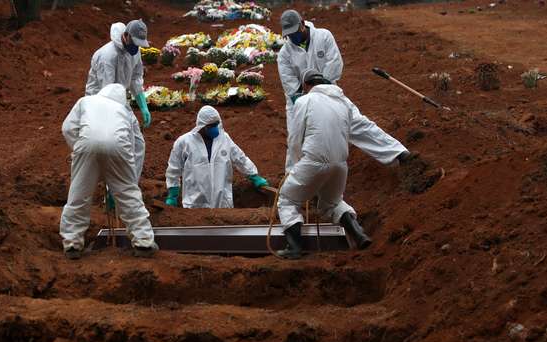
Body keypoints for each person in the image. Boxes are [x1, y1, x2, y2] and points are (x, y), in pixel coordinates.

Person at [277, 71, 414, 258]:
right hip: (340, 166)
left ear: (307, 86)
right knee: (332, 203)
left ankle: (295, 248)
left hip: (313, 162)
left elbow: (294, 140)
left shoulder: (304, 102)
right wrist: (398, 151)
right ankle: (359, 235)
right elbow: (366, 128)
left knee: (287, 200)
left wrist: (292, 170)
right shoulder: (344, 103)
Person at [278, 9, 410, 172]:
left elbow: (335, 65)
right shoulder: (284, 55)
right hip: (300, 102)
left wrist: (320, 88)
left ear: (303, 24)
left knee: (356, 122)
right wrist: (309, 100)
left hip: (329, 91)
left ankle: (398, 154)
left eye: (295, 32)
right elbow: (292, 89)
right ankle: (292, 181)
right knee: (296, 141)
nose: (293, 37)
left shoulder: (323, 36)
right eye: (289, 35)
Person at [60, 84, 158, 260]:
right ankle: (144, 242)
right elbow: (136, 144)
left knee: (78, 195)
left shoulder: (85, 101)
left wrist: (80, 149)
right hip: (119, 148)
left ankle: (72, 243)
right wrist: (128, 176)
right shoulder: (125, 111)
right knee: (129, 194)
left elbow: (67, 128)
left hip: (86, 144)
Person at [85, 20, 151, 201]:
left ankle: (128, 189)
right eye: (135, 43)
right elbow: (107, 90)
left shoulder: (134, 52)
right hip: (102, 104)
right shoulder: (108, 56)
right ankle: (113, 191)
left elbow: (136, 78)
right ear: (126, 36)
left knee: (138, 144)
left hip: (122, 102)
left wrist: (142, 105)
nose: (136, 48)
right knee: (118, 147)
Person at [164, 106, 269, 208]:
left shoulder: (224, 139)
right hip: (195, 204)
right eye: (211, 126)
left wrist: (254, 175)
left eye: (217, 124)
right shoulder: (184, 142)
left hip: (223, 203)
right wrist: (172, 193)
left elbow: (240, 158)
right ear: (202, 126)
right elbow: (174, 168)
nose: (215, 128)